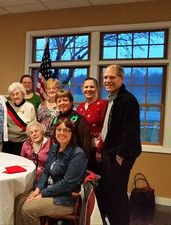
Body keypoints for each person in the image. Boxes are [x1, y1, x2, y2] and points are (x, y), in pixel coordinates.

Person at [15, 118, 87, 225]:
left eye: (66, 130)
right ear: (55, 131)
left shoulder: (77, 154)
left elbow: (67, 184)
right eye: (59, 129)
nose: (62, 133)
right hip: (50, 190)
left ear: (72, 133)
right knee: (19, 200)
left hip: (64, 199)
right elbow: (46, 172)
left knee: (27, 209)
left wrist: (43, 194)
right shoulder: (55, 147)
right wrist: (38, 189)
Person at [97, 64, 142, 225]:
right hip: (109, 153)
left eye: (112, 77)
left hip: (120, 156)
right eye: (105, 77)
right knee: (109, 193)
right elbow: (111, 127)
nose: (107, 80)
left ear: (121, 79)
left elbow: (130, 132)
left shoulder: (128, 100)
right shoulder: (112, 98)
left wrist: (120, 156)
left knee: (118, 195)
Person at [52, 89, 93, 164]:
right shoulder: (55, 120)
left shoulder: (80, 119)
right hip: (58, 157)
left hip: (74, 158)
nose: (62, 103)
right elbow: (53, 140)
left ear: (71, 102)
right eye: (59, 101)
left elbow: (86, 142)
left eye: (65, 100)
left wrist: (84, 160)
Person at [76, 77, 107, 171]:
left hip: (95, 149)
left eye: (92, 87)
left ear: (98, 89)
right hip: (81, 149)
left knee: (94, 178)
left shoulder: (103, 104)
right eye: (86, 87)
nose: (88, 89)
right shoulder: (80, 107)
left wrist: (99, 150)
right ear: (82, 89)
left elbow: (105, 128)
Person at [3, 82, 36, 155]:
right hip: (8, 142)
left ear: (22, 94)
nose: (15, 97)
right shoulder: (7, 105)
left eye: (17, 94)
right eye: (12, 94)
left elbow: (33, 126)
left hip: (23, 143)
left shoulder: (29, 106)